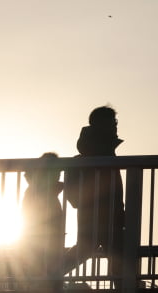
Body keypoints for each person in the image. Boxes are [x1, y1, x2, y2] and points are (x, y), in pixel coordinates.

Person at [63, 106, 125, 289]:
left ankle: (46, 279)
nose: (116, 126)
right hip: (102, 217)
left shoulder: (100, 152)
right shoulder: (100, 154)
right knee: (115, 254)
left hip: (101, 217)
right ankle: (45, 279)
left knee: (91, 250)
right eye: (113, 122)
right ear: (102, 125)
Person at [21, 152, 64, 291]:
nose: (59, 174)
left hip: (42, 245)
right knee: (47, 280)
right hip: (43, 245)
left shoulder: (36, 189)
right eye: (57, 170)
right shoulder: (40, 192)